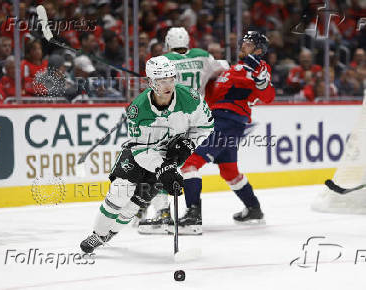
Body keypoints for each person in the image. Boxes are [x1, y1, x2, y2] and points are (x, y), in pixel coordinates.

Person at [79, 55, 213, 253]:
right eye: (161, 81)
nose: (168, 85)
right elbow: (141, 148)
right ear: (151, 82)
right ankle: (97, 235)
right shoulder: (137, 109)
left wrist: (188, 144)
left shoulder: (191, 99)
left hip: (169, 156)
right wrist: (162, 168)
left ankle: (110, 233)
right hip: (139, 154)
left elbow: (205, 126)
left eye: (171, 79)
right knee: (119, 191)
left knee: (135, 204)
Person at [177, 31, 275, 234]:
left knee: (189, 163)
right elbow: (208, 97)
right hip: (221, 121)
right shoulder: (229, 70)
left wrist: (262, 80)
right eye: (243, 42)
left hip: (227, 123)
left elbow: (267, 95)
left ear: (258, 50)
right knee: (229, 170)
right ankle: (254, 209)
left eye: (247, 44)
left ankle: (193, 215)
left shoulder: (256, 66)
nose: (242, 46)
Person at [138, 27, 229, 234]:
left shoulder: (164, 59)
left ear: (167, 43)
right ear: (188, 41)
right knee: (188, 165)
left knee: (158, 161)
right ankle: (193, 214)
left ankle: (163, 215)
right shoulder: (203, 56)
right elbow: (223, 67)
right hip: (198, 116)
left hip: (173, 118)